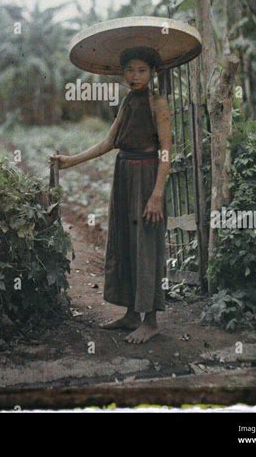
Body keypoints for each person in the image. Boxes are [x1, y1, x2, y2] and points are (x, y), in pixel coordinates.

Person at [49, 46, 171, 344]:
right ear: (122, 73)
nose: (135, 76)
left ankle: (151, 320)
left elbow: (166, 152)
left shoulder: (159, 104)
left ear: (153, 72)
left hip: (147, 176)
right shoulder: (128, 102)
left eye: (142, 70)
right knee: (126, 241)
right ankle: (131, 314)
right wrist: (71, 160)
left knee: (146, 242)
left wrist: (156, 194)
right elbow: (108, 142)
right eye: (130, 70)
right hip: (124, 174)